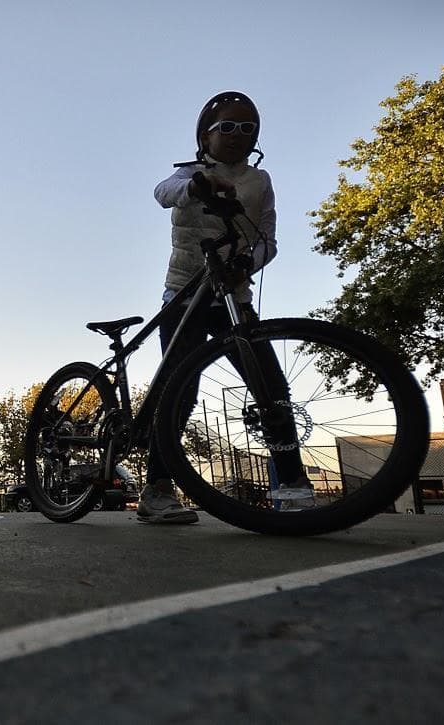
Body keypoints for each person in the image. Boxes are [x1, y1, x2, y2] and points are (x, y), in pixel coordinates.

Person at [139, 90, 310, 524]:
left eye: (247, 128)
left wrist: (247, 264)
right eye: (227, 127)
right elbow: (163, 192)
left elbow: (268, 238)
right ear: (205, 136)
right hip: (184, 297)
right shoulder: (186, 175)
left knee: (271, 389)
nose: (238, 135)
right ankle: (158, 489)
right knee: (181, 391)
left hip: (233, 298)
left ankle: (290, 484)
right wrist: (197, 185)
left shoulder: (260, 180)